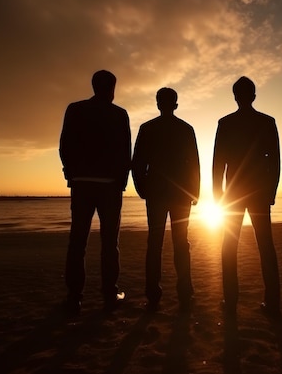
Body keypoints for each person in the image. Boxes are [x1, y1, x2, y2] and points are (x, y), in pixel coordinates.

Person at [59, 70, 131, 315]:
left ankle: (74, 297)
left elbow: (64, 144)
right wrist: (121, 182)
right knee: (110, 242)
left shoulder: (75, 109)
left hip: (82, 183)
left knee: (77, 241)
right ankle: (109, 293)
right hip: (109, 185)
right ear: (112, 88)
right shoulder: (119, 114)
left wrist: (71, 173)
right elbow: (125, 152)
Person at [212, 76, 281, 317]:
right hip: (259, 191)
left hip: (233, 192)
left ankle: (230, 301)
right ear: (253, 96)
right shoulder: (267, 122)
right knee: (265, 245)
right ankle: (272, 302)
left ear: (235, 96)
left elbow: (218, 162)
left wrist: (217, 194)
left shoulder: (226, 123)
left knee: (229, 245)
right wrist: (271, 191)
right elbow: (275, 161)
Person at [132, 87, 200, 311]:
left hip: (158, 193)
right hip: (179, 194)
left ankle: (154, 293)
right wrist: (195, 191)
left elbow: (138, 164)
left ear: (158, 104)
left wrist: (143, 188)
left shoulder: (148, 128)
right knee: (181, 242)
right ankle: (184, 291)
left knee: (156, 243)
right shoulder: (185, 129)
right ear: (175, 104)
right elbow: (194, 164)